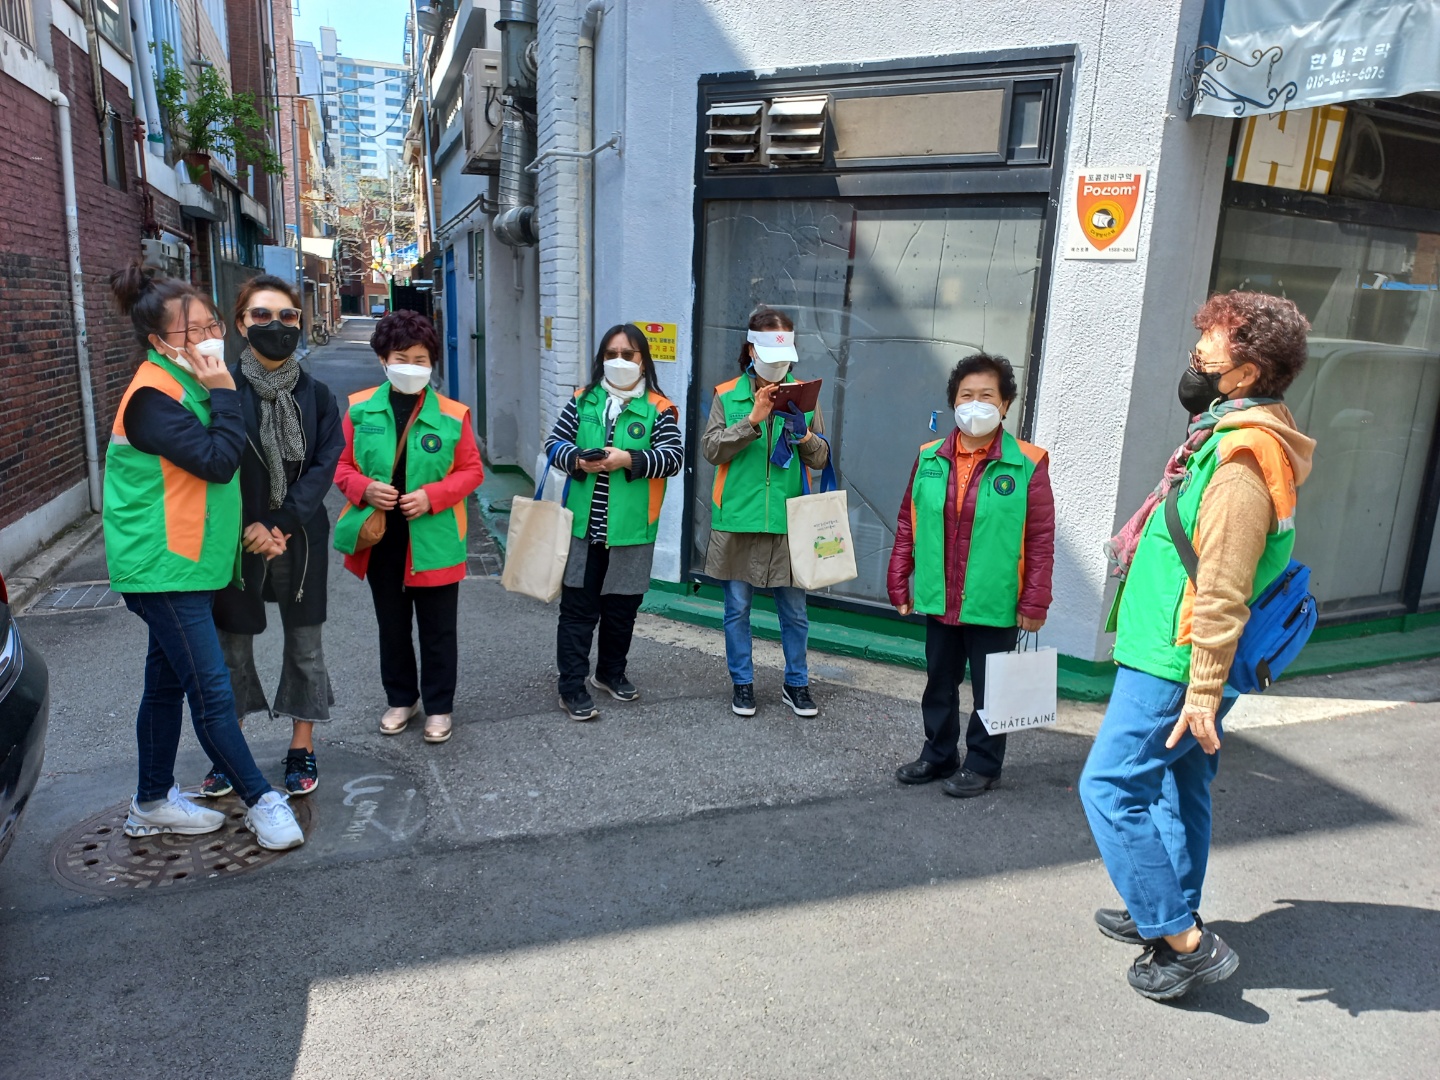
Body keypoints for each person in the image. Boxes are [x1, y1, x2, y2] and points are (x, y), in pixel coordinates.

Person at [1080, 291, 1315, 1000]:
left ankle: (1184, 943)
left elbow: (1222, 585)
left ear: (1246, 375)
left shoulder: (1243, 457)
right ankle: (1164, 902)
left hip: (1178, 659)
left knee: (1111, 785)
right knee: (1179, 785)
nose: (1198, 355)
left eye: (1211, 344)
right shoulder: (1221, 434)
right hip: (1170, 648)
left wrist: (1205, 689)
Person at [103, 262, 303, 850]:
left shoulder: (185, 381)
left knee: (164, 686)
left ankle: (153, 800)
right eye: (192, 332)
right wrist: (223, 390)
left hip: (186, 565)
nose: (209, 337)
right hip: (161, 569)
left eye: (211, 323)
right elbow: (218, 461)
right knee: (211, 690)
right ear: (159, 341)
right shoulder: (151, 397)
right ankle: (262, 799)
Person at [888, 352, 1054, 798]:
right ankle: (939, 754)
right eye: (966, 395)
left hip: (995, 599)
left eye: (987, 396)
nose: (975, 404)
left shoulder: (1028, 463)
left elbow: (1039, 537)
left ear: (1004, 405)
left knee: (990, 690)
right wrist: (899, 576)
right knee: (938, 682)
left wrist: (1035, 600)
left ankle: (984, 764)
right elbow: (909, 522)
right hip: (939, 594)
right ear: (953, 403)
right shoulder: (929, 457)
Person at [205, 275, 344, 798]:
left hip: (299, 538)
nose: (276, 326)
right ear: (240, 324)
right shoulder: (220, 392)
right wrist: (249, 528)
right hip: (236, 539)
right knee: (231, 649)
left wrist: (280, 524)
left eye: (287, 316)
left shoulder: (319, 396)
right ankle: (230, 749)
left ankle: (301, 747)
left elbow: (323, 467)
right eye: (261, 316)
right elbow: (213, 467)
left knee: (305, 646)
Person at [333, 310, 484, 744]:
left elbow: (471, 471)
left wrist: (433, 496)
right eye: (402, 357)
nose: (412, 367)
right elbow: (340, 466)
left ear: (432, 362)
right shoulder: (361, 408)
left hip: (434, 536)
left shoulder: (454, 414)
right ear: (383, 358)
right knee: (392, 626)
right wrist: (363, 488)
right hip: (381, 537)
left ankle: (439, 706)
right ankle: (401, 699)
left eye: (421, 359)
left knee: (439, 629)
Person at [543, 324, 683, 720]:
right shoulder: (582, 400)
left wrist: (629, 460)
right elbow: (554, 445)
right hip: (584, 530)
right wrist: (575, 458)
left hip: (633, 531)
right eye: (611, 353)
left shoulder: (659, 408)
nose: (619, 361)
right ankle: (571, 685)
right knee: (577, 611)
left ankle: (610, 673)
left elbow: (673, 457)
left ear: (644, 361)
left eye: (629, 354)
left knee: (622, 610)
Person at [701, 305, 830, 718]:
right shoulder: (727, 395)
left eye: (785, 361)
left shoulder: (804, 396)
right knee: (737, 608)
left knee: (794, 610)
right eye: (771, 360)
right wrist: (752, 421)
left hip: (788, 521)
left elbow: (822, 459)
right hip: (737, 518)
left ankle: (797, 683)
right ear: (751, 352)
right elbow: (711, 450)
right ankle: (742, 684)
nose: (778, 368)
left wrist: (805, 434)